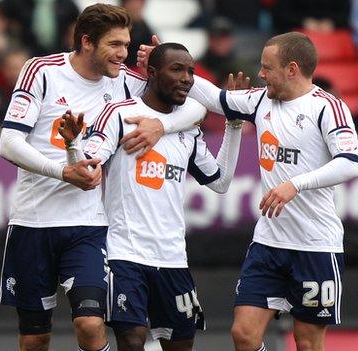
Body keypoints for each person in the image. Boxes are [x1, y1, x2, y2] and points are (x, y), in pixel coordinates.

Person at [0, 4, 205, 351]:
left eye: (126, 44)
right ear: (87, 42)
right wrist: (62, 172)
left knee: (91, 325)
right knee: (35, 337)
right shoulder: (42, 71)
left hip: (88, 226)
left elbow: (198, 100)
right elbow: (9, 142)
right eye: (115, 45)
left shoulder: (125, 80)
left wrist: (161, 124)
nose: (123, 54)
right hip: (32, 222)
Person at [139, 32, 358, 351]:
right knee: (243, 335)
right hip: (268, 243)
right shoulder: (260, 100)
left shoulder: (327, 108)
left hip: (316, 244)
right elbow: (216, 99)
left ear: (292, 69)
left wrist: (295, 185)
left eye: (267, 67)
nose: (260, 74)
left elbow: (350, 163)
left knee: (307, 342)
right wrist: (161, 58)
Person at [60, 42, 244, 351]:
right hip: (124, 253)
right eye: (177, 69)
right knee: (132, 340)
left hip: (172, 258)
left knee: (180, 344)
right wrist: (72, 146)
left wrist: (234, 124)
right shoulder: (120, 114)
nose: (186, 78)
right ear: (152, 73)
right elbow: (87, 172)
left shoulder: (186, 127)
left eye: (190, 71)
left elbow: (220, 181)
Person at [0, 49, 30, 122]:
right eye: (9, 68)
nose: (13, 73)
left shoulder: (37, 92)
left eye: (17, 68)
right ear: (3, 69)